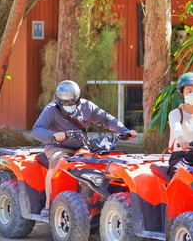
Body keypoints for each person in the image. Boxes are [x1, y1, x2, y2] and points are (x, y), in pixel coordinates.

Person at [32, 80, 138, 217]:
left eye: (73, 103)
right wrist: (53, 135)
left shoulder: (87, 106)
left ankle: (95, 201)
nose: (70, 106)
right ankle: (48, 203)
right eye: (66, 104)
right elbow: (36, 130)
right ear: (59, 101)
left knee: (98, 164)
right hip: (58, 146)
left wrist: (124, 131)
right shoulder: (51, 110)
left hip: (82, 146)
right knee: (57, 162)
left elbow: (106, 120)